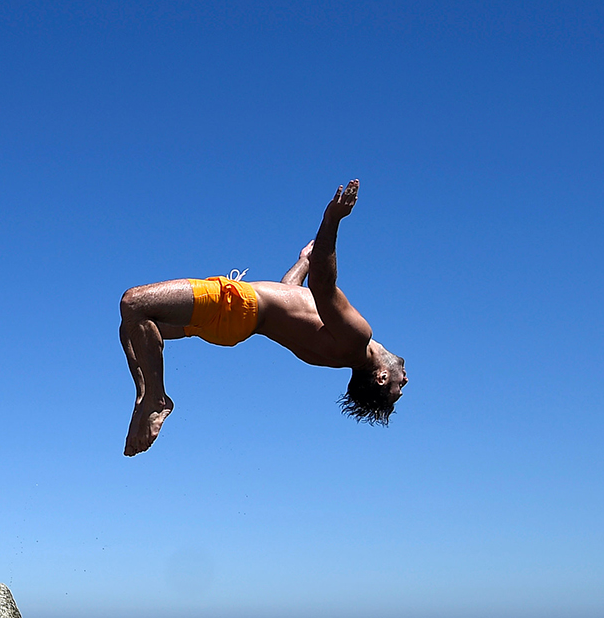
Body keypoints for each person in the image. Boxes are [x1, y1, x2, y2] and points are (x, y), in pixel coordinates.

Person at [119, 180, 407, 455]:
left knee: (134, 303)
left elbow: (322, 285)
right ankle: (144, 396)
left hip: (237, 306)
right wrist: (304, 261)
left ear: (381, 378)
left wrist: (332, 219)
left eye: (398, 387)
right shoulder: (338, 354)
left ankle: (156, 398)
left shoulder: (357, 338)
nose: (404, 382)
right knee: (131, 329)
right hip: (235, 325)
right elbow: (288, 296)